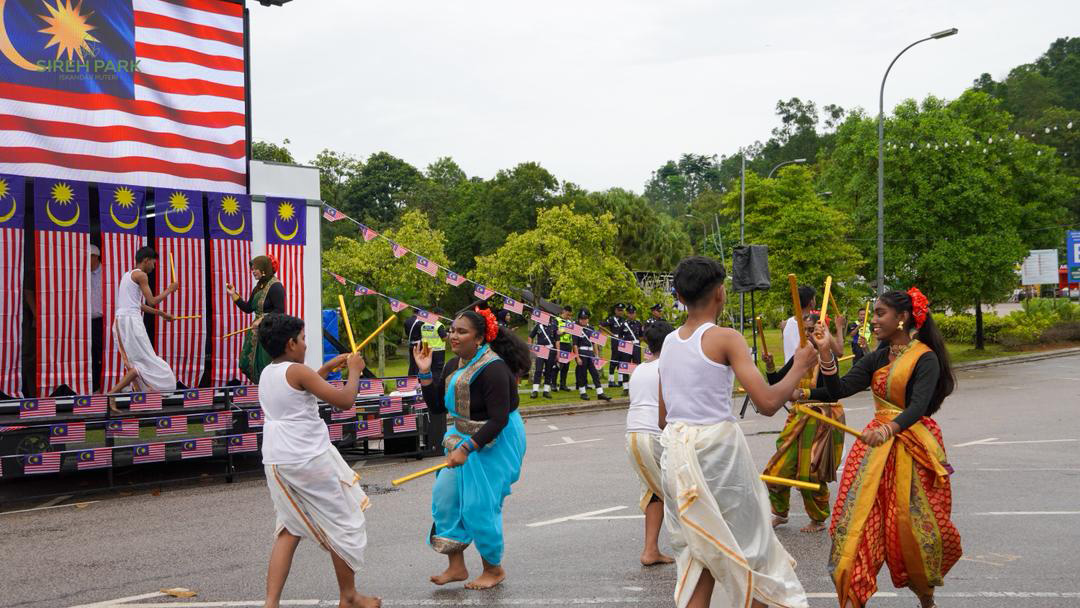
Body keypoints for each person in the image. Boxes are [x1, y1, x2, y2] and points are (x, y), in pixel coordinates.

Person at [657, 256, 815, 608]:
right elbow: (767, 402)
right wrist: (800, 366)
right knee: (753, 551)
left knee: (698, 556)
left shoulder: (668, 342)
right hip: (718, 454)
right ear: (720, 292)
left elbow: (663, 417)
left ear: (679, 296)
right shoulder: (726, 338)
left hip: (676, 455)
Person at [803, 288, 961, 608]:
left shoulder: (925, 357)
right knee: (856, 525)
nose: (873, 320)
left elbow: (917, 407)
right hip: (873, 453)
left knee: (912, 531)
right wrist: (824, 355)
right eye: (874, 313)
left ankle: (926, 597)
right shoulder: (878, 356)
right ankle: (853, 596)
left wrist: (889, 428)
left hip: (912, 449)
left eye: (880, 313)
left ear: (902, 318)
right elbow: (840, 388)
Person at [257, 313, 380, 608]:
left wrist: (326, 367)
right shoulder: (298, 371)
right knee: (344, 523)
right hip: (307, 457)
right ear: (290, 343)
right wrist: (355, 371)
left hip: (277, 459)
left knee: (289, 528)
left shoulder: (268, 372)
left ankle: (271, 603)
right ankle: (348, 596)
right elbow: (345, 401)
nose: (305, 344)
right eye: (303, 339)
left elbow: (300, 389)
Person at [414, 306, 530, 590]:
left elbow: (499, 419)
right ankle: (456, 566)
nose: (453, 336)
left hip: (496, 440)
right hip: (462, 439)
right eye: (452, 330)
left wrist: (467, 449)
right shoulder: (453, 365)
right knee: (445, 498)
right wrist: (425, 373)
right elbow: (438, 407)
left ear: (479, 338)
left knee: (479, 506)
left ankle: (493, 569)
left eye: (461, 332)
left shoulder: (494, 369)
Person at [761, 312, 846, 533]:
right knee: (776, 469)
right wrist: (770, 366)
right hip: (798, 418)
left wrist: (803, 393)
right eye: (805, 330)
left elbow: (832, 392)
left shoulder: (827, 356)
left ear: (822, 331)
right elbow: (778, 381)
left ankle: (818, 519)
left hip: (822, 418)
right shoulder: (801, 355)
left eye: (812, 330)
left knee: (810, 473)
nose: (808, 334)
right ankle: (780, 513)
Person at [624, 318, 675, 567]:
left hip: (633, 433)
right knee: (681, 491)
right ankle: (698, 548)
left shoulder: (639, 369)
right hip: (655, 434)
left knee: (654, 490)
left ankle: (650, 550)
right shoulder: (668, 368)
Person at [107, 247, 178, 397]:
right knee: (144, 361)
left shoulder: (128, 275)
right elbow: (152, 301)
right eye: (153, 263)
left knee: (140, 362)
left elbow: (138, 305)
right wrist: (169, 290)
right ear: (146, 260)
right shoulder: (141, 275)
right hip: (130, 321)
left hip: (127, 320)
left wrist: (161, 314)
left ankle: (126, 394)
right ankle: (112, 395)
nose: (153, 266)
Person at [226, 255, 286, 384]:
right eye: (252, 269)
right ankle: (262, 388)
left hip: (270, 332)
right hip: (257, 331)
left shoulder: (276, 286)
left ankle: (270, 389)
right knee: (248, 364)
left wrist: (262, 319)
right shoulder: (259, 286)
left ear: (264, 268)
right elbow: (248, 308)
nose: (253, 271)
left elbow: (280, 310)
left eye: (255, 268)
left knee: (266, 364)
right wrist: (234, 294)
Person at [571, 309, 612, 402]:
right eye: (581, 319)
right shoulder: (576, 329)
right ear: (579, 319)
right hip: (582, 353)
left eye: (585, 319)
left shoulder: (591, 329)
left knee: (595, 374)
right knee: (582, 374)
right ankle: (583, 392)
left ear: (588, 319)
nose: (583, 321)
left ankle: (600, 393)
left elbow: (594, 343)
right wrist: (577, 357)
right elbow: (575, 345)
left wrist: (596, 356)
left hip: (591, 353)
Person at [528, 312, 559, 399]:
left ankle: (546, 391)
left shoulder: (554, 326)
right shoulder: (538, 326)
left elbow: (557, 340)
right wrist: (531, 348)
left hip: (550, 350)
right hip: (541, 350)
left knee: (549, 371)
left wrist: (558, 353)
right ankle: (535, 390)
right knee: (538, 370)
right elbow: (530, 337)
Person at [782, 285, 816, 364]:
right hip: (805, 369)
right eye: (814, 298)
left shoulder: (785, 324)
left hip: (789, 370)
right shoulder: (814, 324)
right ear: (811, 302)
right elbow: (839, 351)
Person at [600, 303, 626, 387]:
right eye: (619, 310)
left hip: (622, 340)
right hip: (615, 340)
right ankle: (611, 380)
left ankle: (620, 380)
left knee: (622, 359)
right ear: (615, 310)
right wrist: (611, 334)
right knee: (614, 358)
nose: (620, 312)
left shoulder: (624, 320)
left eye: (621, 310)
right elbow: (601, 326)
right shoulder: (611, 319)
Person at [420, 310, 449, 381]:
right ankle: (437, 385)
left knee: (429, 369)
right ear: (439, 315)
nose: (442, 318)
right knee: (438, 371)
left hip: (427, 350)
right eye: (442, 316)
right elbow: (444, 338)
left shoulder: (424, 324)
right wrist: (449, 334)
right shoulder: (438, 325)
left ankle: (429, 384)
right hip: (438, 351)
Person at [89, 244, 103, 392]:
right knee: (89, 353)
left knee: (102, 351)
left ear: (96, 257)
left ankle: (103, 384)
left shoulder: (107, 272)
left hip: (102, 320)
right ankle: (93, 386)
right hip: (86, 321)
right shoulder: (81, 273)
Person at [555, 306, 574, 392]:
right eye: (567, 314)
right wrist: (565, 329)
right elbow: (557, 332)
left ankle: (563, 384)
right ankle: (553, 384)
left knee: (566, 366)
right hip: (559, 344)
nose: (568, 316)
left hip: (567, 345)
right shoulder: (556, 320)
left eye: (570, 315)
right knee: (557, 365)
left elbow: (571, 335)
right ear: (564, 311)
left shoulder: (570, 322)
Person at [625, 304, 644, 369]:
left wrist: (636, 343)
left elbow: (641, 336)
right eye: (630, 313)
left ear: (635, 313)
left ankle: (636, 375)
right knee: (626, 363)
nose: (631, 315)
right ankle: (625, 376)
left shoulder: (639, 324)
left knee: (637, 363)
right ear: (627, 313)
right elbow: (620, 336)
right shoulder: (623, 324)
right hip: (627, 345)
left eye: (633, 313)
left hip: (636, 345)